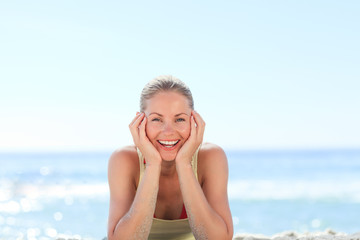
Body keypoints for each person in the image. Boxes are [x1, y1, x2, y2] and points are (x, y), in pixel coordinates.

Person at [107, 75, 233, 240]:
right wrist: (152, 164)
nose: (168, 131)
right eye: (157, 119)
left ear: (194, 121)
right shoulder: (124, 160)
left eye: (179, 119)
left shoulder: (211, 157)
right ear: (140, 122)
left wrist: (184, 164)